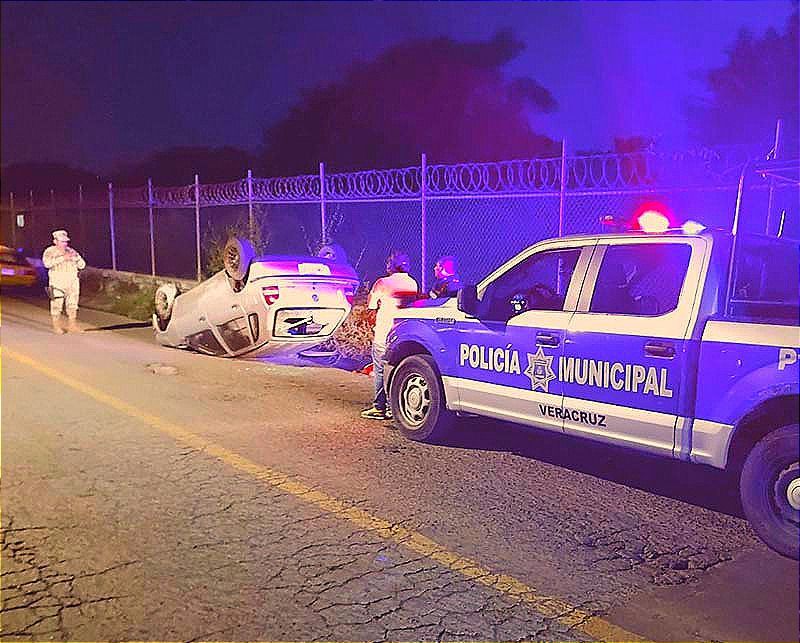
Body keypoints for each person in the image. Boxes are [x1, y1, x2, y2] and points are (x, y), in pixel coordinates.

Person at [360, 250, 418, 420]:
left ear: (391, 265)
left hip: (384, 332)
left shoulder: (382, 282)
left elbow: (371, 305)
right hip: (403, 334)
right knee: (398, 370)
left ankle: (379, 407)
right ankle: (396, 407)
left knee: (379, 369)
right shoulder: (413, 283)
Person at [42, 229, 86, 334]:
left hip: (72, 282)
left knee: (73, 304)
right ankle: (57, 326)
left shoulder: (71, 251)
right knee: (56, 304)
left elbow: (82, 265)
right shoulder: (49, 251)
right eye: (62, 241)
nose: (64, 244)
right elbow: (47, 264)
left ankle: (72, 326)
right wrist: (63, 258)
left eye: (66, 241)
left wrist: (76, 258)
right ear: (55, 241)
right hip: (57, 282)